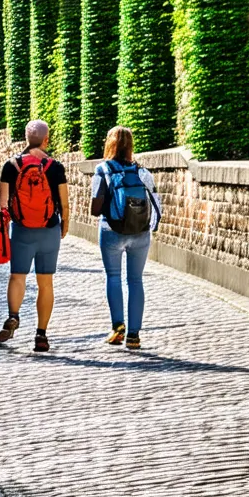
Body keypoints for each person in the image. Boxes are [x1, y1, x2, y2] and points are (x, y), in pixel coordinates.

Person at [0, 120, 70, 352]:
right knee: (45, 283)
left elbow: (3, 204)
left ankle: (14, 315)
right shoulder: (55, 167)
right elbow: (64, 204)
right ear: (46, 139)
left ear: (27, 139)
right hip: (49, 230)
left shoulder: (11, 165)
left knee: (17, 277)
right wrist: (64, 225)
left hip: (21, 230)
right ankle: (41, 335)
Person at [90, 126, 160, 350]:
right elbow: (156, 203)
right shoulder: (142, 172)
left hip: (112, 230)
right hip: (140, 232)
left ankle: (117, 327)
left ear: (109, 144)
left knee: (113, 276)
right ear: (131, 146)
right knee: (136, 280)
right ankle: (134, 336)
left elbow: (95, 208)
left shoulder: (103, 169)